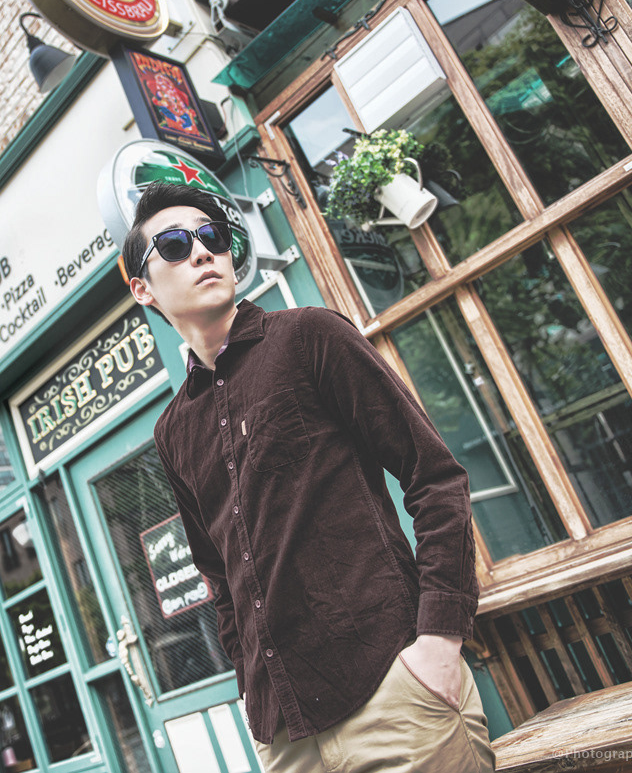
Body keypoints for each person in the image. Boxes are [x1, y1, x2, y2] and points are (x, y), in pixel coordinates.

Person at [123, 181, 495, 773]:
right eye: (174, 244)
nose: (202, 251)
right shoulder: (173, 430)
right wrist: (250, 687)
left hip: (391, 689)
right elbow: (220, 576)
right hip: (285, 734)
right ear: (142, 288)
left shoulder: (310, 337)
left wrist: (440, 642)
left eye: (212, 236)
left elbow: (435, 479)